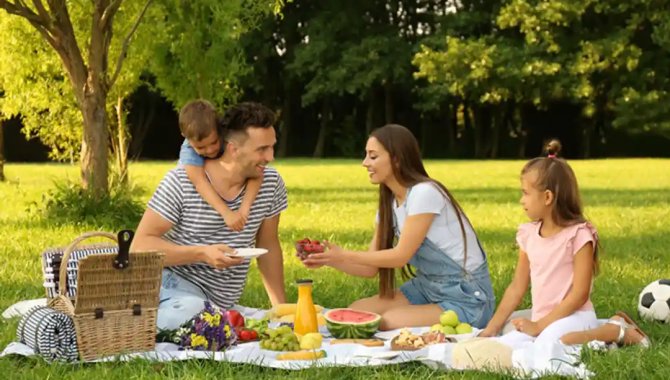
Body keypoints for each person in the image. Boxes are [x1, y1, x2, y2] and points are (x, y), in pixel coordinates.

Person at [301, 124, 495, 330]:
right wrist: (329, 259)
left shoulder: (425, 193)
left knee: (390, 320)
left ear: (396, 158)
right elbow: (370, 268)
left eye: (373, 156)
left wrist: (345, 254)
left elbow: (400, 255)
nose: (364, 163)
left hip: (466, 297)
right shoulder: (390, 204)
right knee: (357, 310)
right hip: (427, 288)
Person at [479, 139, 649, 349]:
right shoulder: (528, 235)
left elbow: (580, 295)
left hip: (576, 315)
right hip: (545, 319)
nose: (521, 200)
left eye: (525, 193)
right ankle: (608, 325)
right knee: (510, 342)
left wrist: (539, 325)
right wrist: (491, 329)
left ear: (548, 197)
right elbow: (517, 287)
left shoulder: (579, 235)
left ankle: (612, 331)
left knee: (556, 344)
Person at [132, 102, 288, 330]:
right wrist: (202, 253)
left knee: (218, 317)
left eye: (272, 147)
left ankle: (215, 317)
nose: (271, 156)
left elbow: (268, 245)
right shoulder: (180, 182)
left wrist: (282, 311)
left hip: (219, 302)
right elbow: (139, 248)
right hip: (170, 288)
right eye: (262, 149)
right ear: (233, 148)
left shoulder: (271, 183)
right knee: (193, 312)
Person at [178, 99, 262, 231]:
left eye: (214, 142)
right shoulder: (188, 150)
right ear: (186, 138)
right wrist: (226, 213)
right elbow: (199, 182)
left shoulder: (229, 135)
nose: (210, 150)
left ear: (220, 128)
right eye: (200, 148)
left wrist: (244, 210)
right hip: (201, 207)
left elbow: (257, 171)